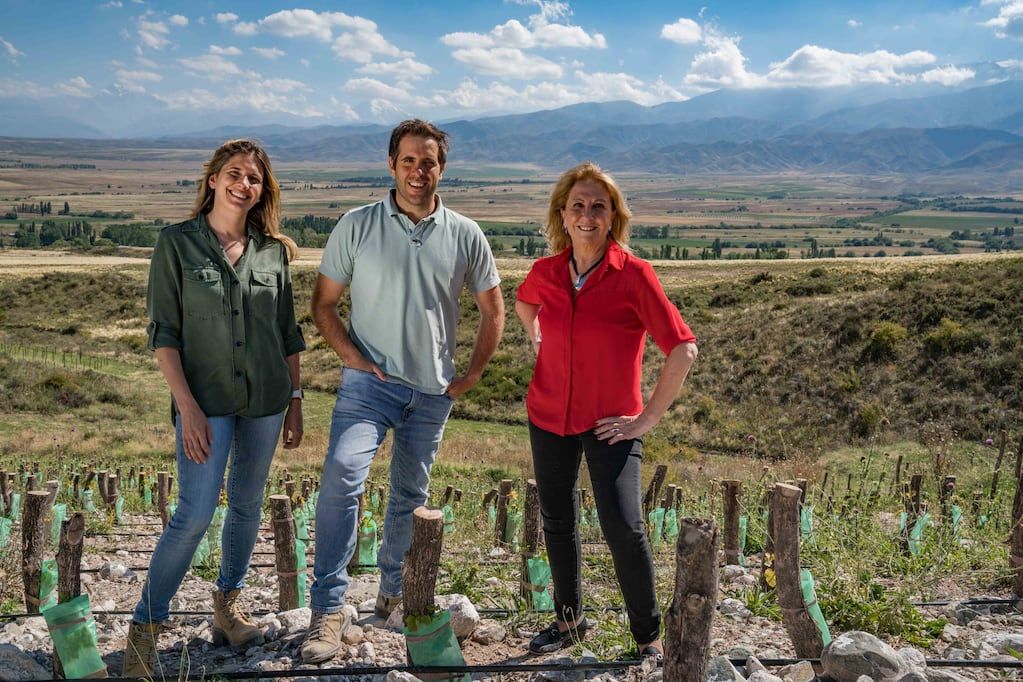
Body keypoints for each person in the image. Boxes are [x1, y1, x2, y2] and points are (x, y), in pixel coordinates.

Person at [302, 119, 504, 664]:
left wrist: (472, 375)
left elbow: (493, 309)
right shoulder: (357, 225)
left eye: (429, 162)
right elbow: (323, 304)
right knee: (344, 474)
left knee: (410, 497)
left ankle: (393, 594)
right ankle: (328, 608)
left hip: (431, 394)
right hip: (370, 387)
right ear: (391, 165)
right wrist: (351, 357)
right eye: (409, 161)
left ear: (443, 168)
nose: (419, 171)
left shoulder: (466, 233)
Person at [123, 139, 306, 677]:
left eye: (254, 178)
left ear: (261, 191)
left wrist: (295, 402)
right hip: (203, 404)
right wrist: (188, 409)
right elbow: (164, 334)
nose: (242, 184)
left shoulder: (273, 251)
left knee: (247, 506)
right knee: (194, 514)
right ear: (213, 180)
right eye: (234, 173)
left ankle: (227, 606)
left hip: (266, 401)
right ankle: (145, 630)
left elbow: (288, 333)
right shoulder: (176, 244)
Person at [515, 162, 698, 660]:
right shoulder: (547, 272)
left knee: (623, 524)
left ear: (613, 214)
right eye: (578, 205)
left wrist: (646, 421)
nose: (588, 215)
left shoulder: (633, 275)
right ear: (563, 214)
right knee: (556, 519)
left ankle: (648, 639)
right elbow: (525, 304)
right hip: (548, 413)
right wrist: (536, 338)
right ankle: (570, 621)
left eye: (599, 205)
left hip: (611, 425)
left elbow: (682, 349)